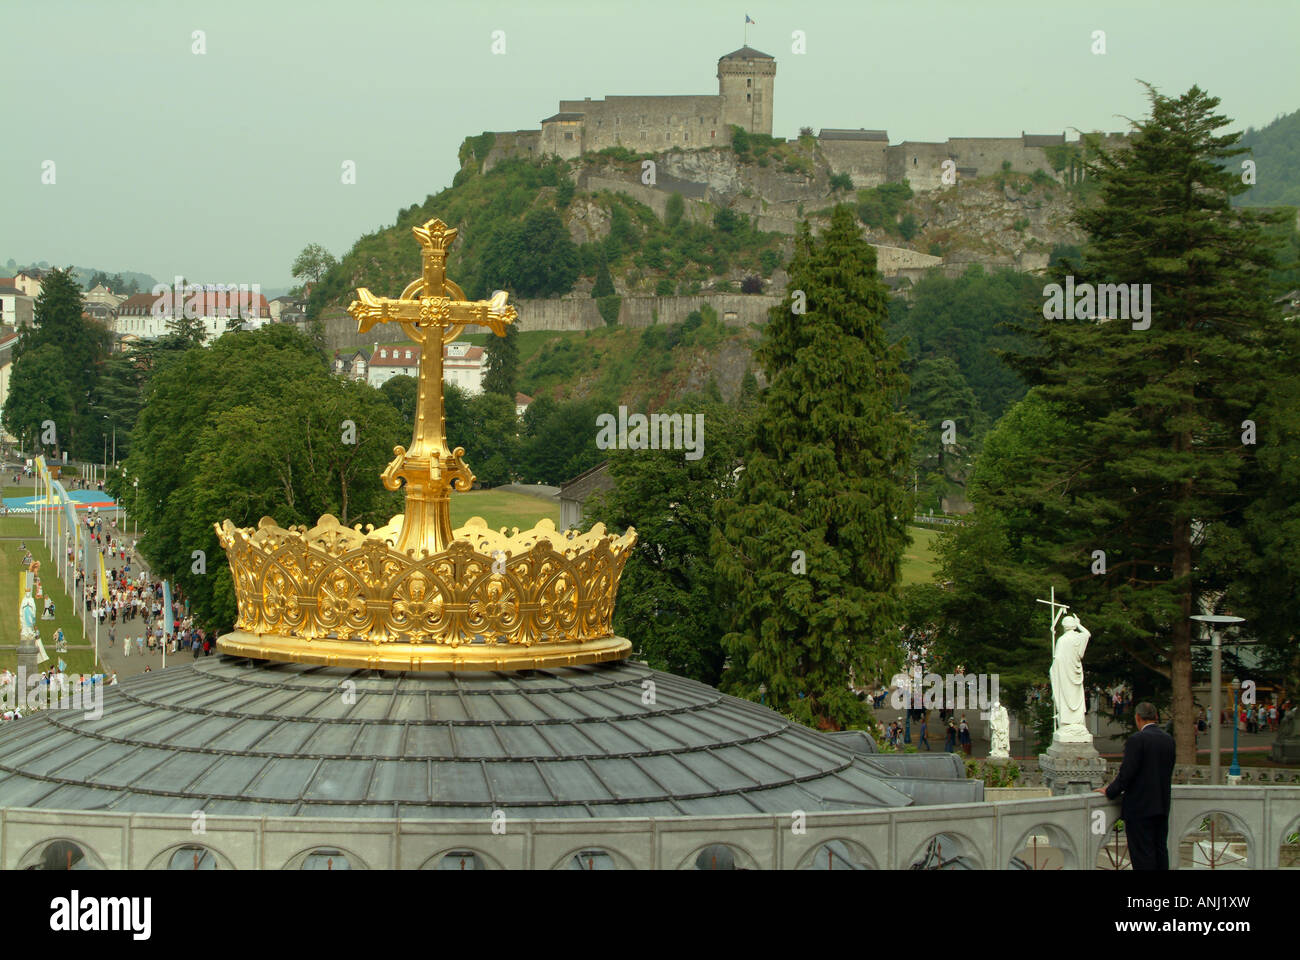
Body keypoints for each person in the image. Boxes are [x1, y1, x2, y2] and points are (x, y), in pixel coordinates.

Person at [1098, 702, 1176, 870]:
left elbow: (1127, 774)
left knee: (1143, 855)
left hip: (1140, 808)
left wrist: (1110, 791)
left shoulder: (1137, 740)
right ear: (1156, 717)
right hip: (1162, 805)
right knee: (1160, 850)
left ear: (1137, 718)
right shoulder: (1168, 740)